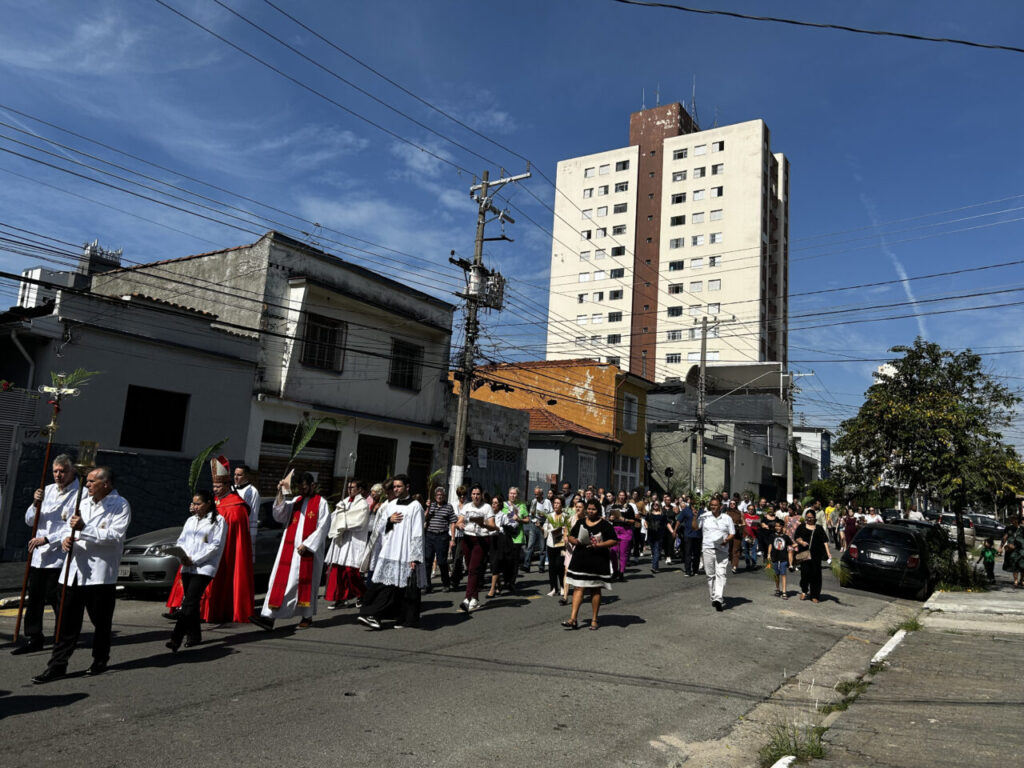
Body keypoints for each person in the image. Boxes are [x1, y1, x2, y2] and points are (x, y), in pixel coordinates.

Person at [33, 467, 131, 683]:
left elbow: (114, 536)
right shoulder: (83, 503)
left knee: (101, 621)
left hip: (99, 575)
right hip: (72, 572)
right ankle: (57, 665)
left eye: (91, 481)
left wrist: (84, 528)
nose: (86, 485)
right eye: (86, 481)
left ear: (105, 484)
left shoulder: (120, 505)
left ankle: (100, 658)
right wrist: (66, 539)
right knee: (65, 623)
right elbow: (68, 527)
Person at [13, 454, 79, 656]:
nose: (58, 475)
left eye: (62, 471)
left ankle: (63, 637)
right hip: (38, 555)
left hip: (59, 555)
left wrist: (48, 539)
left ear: (72, 472)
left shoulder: (80, 494)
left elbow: (72, 526)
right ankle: (34, 637)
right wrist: (35, 503)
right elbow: (29, 520)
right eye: (55, 471)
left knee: (56, 598)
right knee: (35, 598)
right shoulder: (47, 491)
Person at [250, 471, 331, 631]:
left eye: (305, 488)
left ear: (313, 485)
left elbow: (323, 527)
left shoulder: (321, 503)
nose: (302, 491)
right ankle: (268, 617)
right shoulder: (296, 501)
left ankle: (306, 616)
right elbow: (279, 514)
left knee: (302, 584)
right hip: (289, 551)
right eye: (300, 488)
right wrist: (280, 492)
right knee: (279, 583)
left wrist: (307, 544)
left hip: (308, 553)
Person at [358, 475, 426, 629]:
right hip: (390, 549)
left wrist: (415, 557)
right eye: (394, 487)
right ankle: (374, 613)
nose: (395, 489)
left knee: (406, 588)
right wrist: (389, 521)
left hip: (405, 552)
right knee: (384, 584)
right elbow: (381, 527)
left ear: (407, 487)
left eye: (399, 486)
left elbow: (417, 533)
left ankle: (407, 618)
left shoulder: (416, 506)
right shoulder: (391, 504)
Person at [166, 490, 226, 652]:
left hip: (205, 567)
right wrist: (183, 557)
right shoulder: (191, 520)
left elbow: (215, 546)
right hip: (187, 564)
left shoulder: (219, 521)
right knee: (191, 602)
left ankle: (176, 637)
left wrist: (196, 559)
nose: (195, 506)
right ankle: (194, 635)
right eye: (193, 503)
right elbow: (182, 541)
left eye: (198, 503)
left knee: (190, 601)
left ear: (208, 503)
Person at [561, 499, 617, 630]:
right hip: (580, 559)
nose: (590, 511)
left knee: (595, 589)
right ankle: (573, 619)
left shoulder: (605, 525)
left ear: (598, 510)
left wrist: (600, 545)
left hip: (597, 560)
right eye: (589, 509)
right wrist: (575, 541)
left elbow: (614, 540)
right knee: (578, 588)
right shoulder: (581, 522)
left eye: (593, 509)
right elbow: (570, 536)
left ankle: (594, 619)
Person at [325, 480, 371, 607]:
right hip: (341, 541)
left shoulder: (363, 504)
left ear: (360, 489)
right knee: (337, 571)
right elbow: (334, 517)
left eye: (352, 487)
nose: (349, 489)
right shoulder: (344, 502)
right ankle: (340, 598)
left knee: (351, 571)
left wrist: (342, 518)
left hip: (354, 541)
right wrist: (339, 516)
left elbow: (358, 522)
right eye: (348, 487)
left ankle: (362, 594)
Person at [457, 484, 495, 612]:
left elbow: (492, 526)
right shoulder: (467, 506)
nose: (475, 496)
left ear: (481, 495)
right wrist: (460, 524)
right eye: (473, 494)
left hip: (481, 540)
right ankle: (475, 597)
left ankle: (467, 599)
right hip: (467, 539)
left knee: (473, 569)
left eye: (478, 494)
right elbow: (459, 521)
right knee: (471, 569)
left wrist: (484, 524)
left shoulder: (487, 507)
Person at [693, 497, 735, 612]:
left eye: (715, 505)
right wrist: (695, 516)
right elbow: (695, 527)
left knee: (721, 574)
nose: (713, 507)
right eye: (711, 505)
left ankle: (718, 598)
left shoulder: (727, 518)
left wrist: (726, 540)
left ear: (720, 506)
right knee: (710, 575)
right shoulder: (704, 516)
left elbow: (732, 533)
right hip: (708, 549)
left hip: (722, 549)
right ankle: (713, 597)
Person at [794, 510, 832, 603]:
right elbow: (796, 537)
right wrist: (801, 542)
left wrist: (828, 553)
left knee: (816, 574)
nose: (809, 519)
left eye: (811, 517)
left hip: (816, 555)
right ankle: (804, 590)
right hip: (804, 554)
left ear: (815, 518)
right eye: (808, 517)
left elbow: (825, 541)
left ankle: (814, 595)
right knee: (805, 573)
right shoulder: (801, 526)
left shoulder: (818, 528)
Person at [233, 464, 261, 561]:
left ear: (247, 476)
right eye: (235, 474)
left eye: (239, 475)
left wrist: (250, 534)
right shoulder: (231, 490)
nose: (236, 477)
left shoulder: (252, 492)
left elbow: (253, 513)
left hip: (244, 531)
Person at [543, 497, 568, 596]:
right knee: (552, 567)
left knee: (560, 566)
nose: (556, 505)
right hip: (551, 543)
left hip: (561, 544)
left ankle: (562, 586)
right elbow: (546, 527)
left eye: (558, 503)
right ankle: (553, 588)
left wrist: (562, 531)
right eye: (555, 503)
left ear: (562, 505)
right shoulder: (550, 516)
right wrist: (545, 529)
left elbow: (568, 528)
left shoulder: (565, 516)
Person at [526, 486, 552, 573]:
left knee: (542, 548)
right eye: (535, 494)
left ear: (542, 494)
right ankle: (527, 565)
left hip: (542, 524)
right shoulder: (534, 501)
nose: (536, 496)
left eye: (538, 494)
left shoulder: (547, 502)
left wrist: (544, 516)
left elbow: (551, 514)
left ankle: (541, 566)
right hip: (534, 524)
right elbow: (531, 513)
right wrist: (532, 515)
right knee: (530, 546)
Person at [768, 518, 794, 598]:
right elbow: (770, 545)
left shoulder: (786, 537)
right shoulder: (772, 536)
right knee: (776, 574)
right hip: (774, 557)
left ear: (782, 527)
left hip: (783, 557)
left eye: (779, 526)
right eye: (776, 526)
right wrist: (768, 554)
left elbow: (791, 544)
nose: (778, 528)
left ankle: (784, 592)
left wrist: (792, 547)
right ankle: (778, 588)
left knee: (783, 574)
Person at [678, 498, 701, 577]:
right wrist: (674, 530)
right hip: (688, 535)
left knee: (696, 554)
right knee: (687, 553)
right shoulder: (685, 510)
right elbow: (679, 520)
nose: (694, 502)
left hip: (698, 535)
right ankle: (688, 571)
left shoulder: (701, 511)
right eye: (693, 500)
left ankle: (695, 570)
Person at [644, 501, 667, 573]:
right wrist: (647, 527)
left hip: (659, 535)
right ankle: (656, 567)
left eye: (657, 504)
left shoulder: (663, 515)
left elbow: (666, 524)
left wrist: (672, 531)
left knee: (657, 551)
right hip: (651, 535)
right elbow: (645, 521)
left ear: (659, 505)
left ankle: (654, 567)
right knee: (654, 551)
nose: (655, 505)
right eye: (654, 504)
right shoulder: (649, 514)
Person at [725, 499, 744, 574]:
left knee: (736, 550)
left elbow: (743, 523)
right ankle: (732, 562)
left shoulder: (739, 513)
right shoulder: (726, 513)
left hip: (737, 533)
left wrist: (740, 525)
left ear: (736, 505)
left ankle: (735, 566)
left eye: (734, 503)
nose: (732, 505)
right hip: (729, 533)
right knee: (730, 550)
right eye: (731, 503)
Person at [742, 504, 761, 570]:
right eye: (749, 509)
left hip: (754, 536)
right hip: (746, 535)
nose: (751, 510)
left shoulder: (757, 517)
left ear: (754, 510)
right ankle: (747, 563)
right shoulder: (745, 516)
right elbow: (742, 524)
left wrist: (758, 525)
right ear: (747, 509)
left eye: (752, 509)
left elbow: (755, 527)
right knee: (746, 550)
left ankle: (754, 563)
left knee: (754, 550)